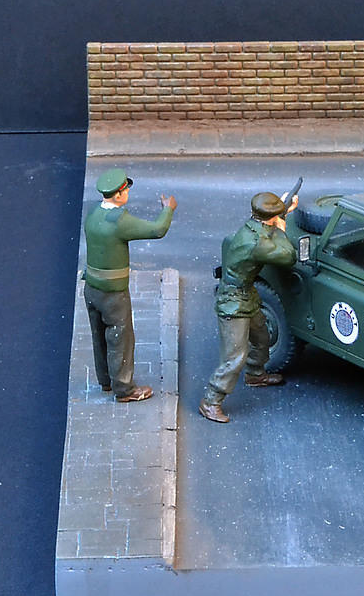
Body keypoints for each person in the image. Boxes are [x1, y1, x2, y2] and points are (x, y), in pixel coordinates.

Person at [198, 191, 298, 423]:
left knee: (262, 337)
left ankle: (255, 374)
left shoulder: (253, 226)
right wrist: (282, 229)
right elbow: (289, 256)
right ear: (271, 218)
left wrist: (283, 210)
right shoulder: (256, 242)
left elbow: (267, 225)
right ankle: (211, 401)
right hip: (233, 303)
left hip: (246, 296)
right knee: (235, 356)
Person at [83, 168, 177, 402]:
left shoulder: (94, 213)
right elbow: (157, 230)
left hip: (91, 286)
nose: (127, 193)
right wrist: (168, 209)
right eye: (125, 190)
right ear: (118, 194)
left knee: (98, 335)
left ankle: (106, 380)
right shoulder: (119, 220)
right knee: (120, 338)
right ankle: (124, 389)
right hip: (113, 292)